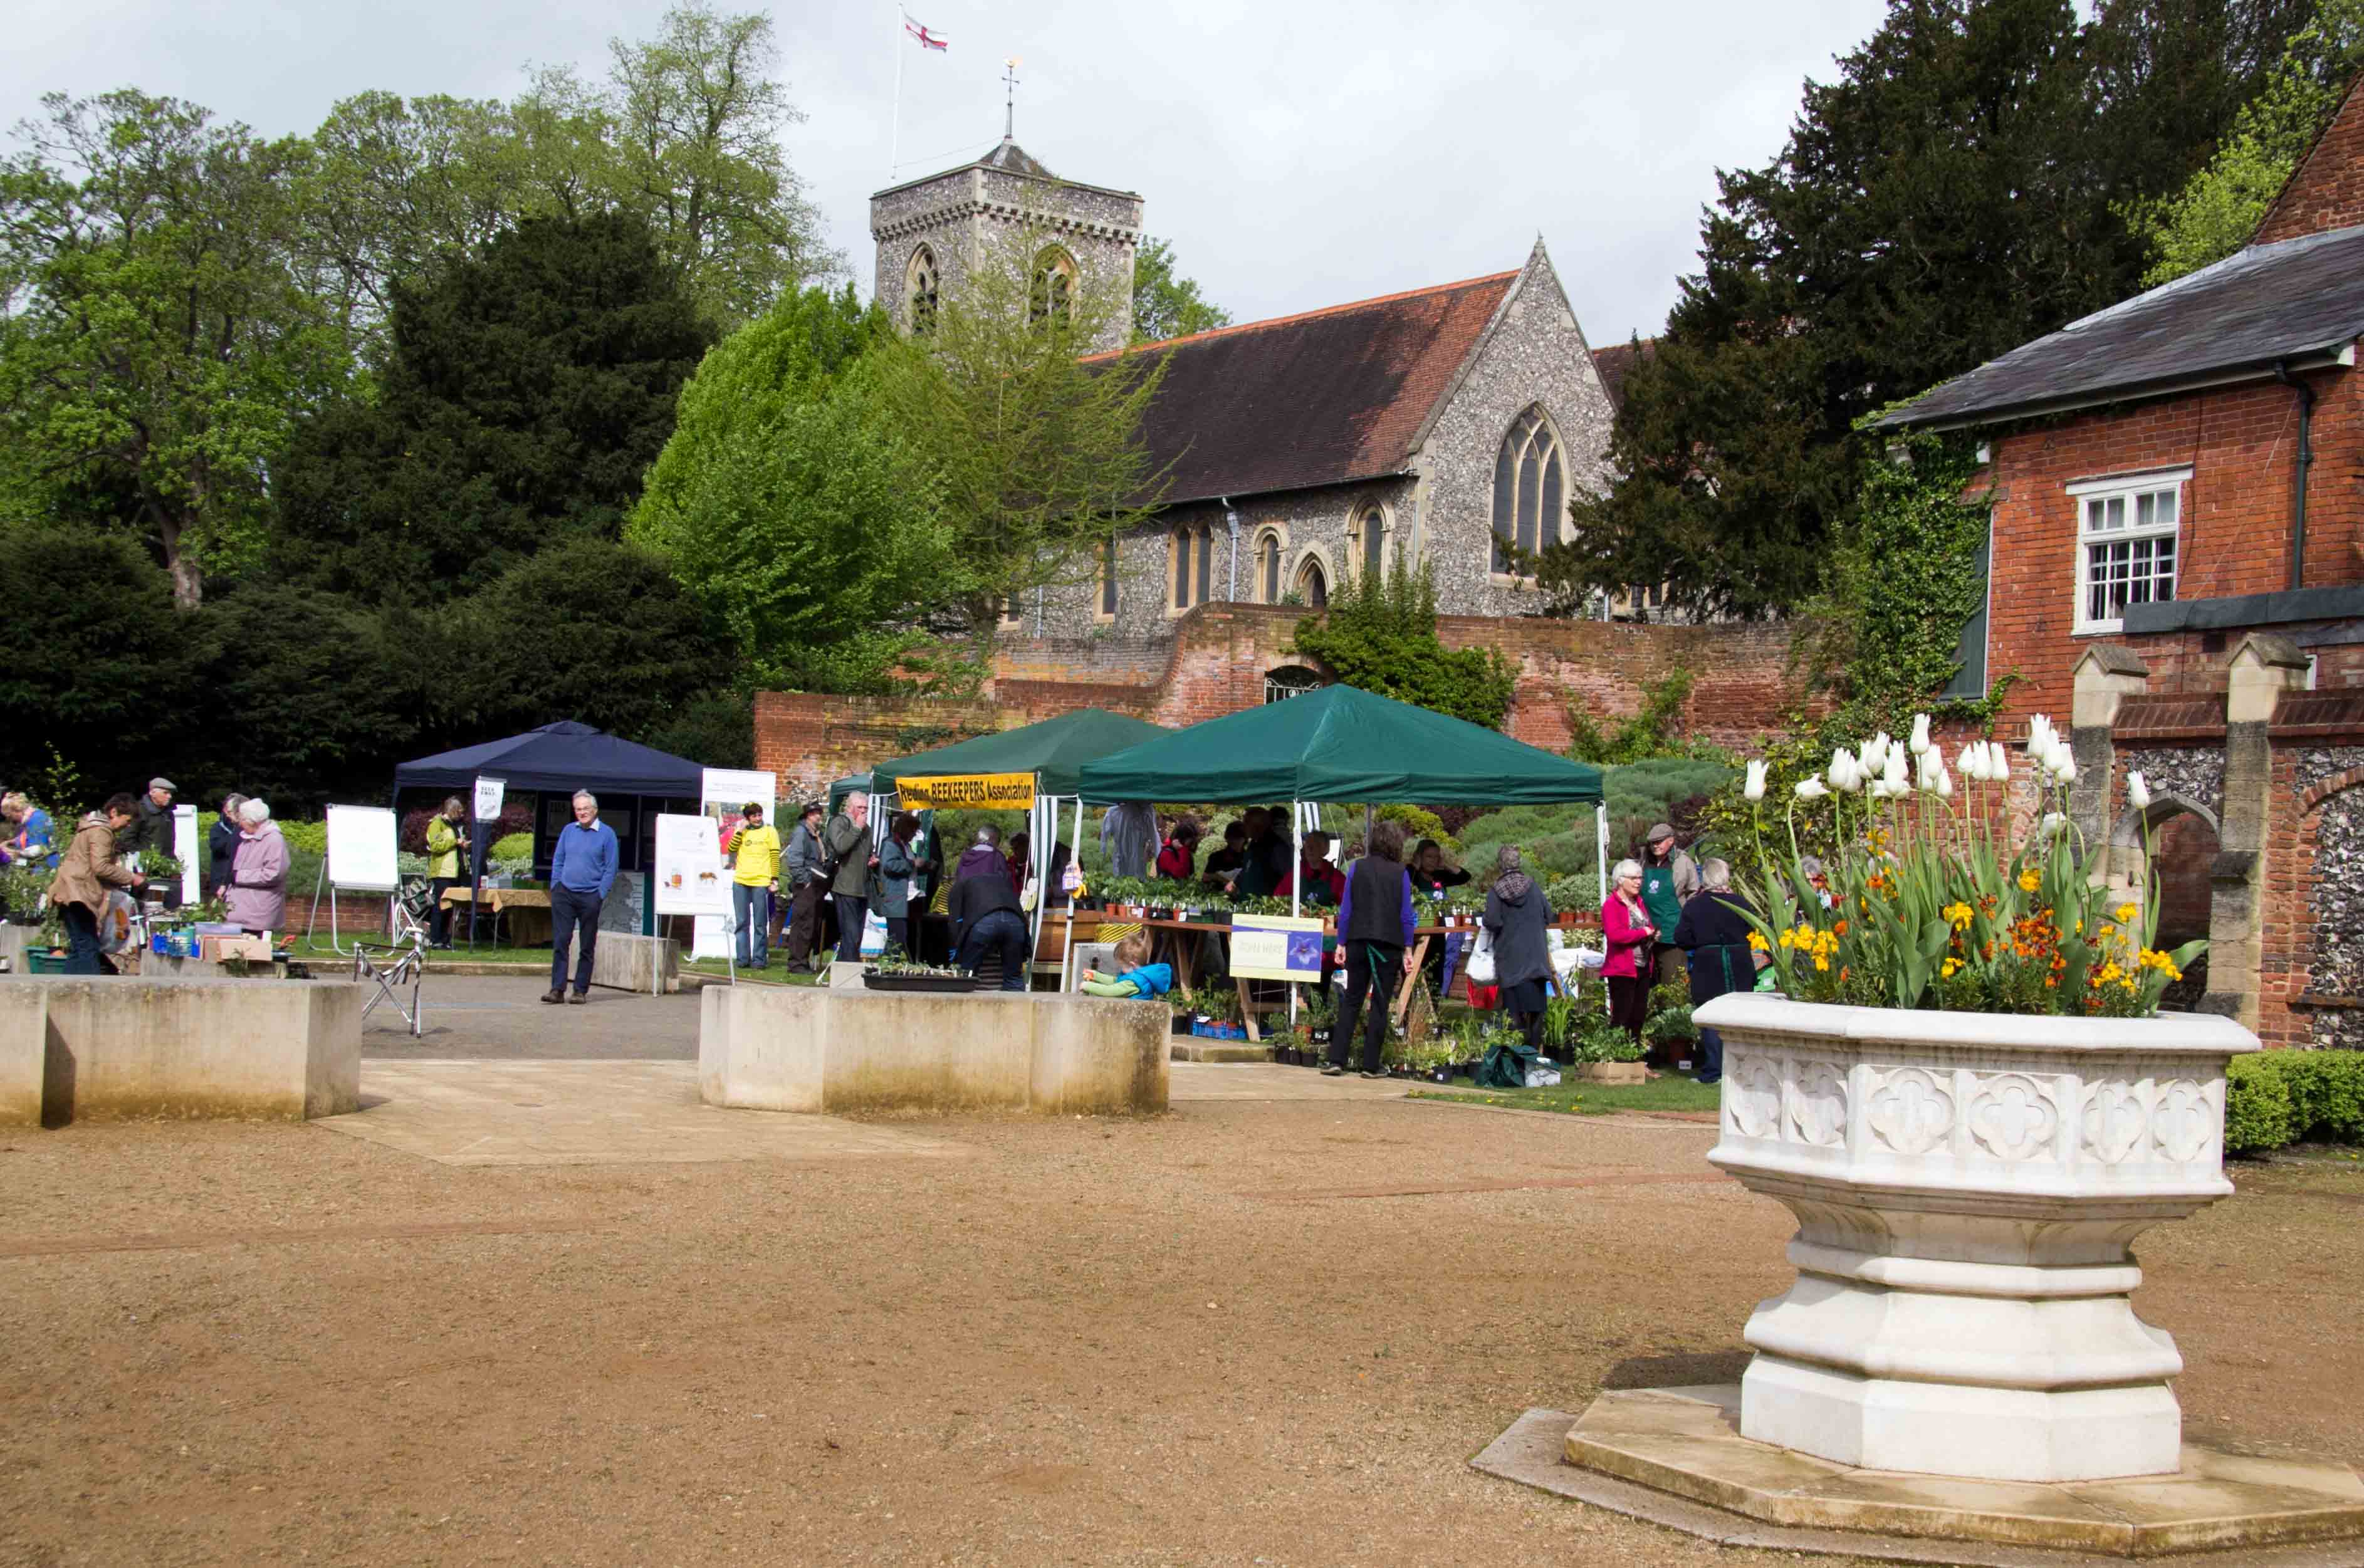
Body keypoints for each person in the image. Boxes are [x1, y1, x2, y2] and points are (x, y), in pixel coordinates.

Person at [1324, 821, 1417, 1079]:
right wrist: (1408, 950)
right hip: (1388, 946)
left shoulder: (1357, 868)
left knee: (1352, 1000)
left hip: (1358, 941)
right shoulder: (1401, 874)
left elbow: (1346, 910)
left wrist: (1341, 942)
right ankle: (1370, 1065)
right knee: (1379, 1003)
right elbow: (1406, 916)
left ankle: (1337, 1059)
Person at [1670, 858, 1752, 1085]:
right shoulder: (1741, 903)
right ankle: (1740, 1070)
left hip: (1709, 964)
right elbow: (1754, 930)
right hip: (1739, 962)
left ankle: (1715, 1070)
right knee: (1739, 1016)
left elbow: (1682, 937)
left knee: (1711, 1016)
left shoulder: (1695, 905)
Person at [50, 794, 146, 975]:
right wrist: (133, 878)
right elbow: (100, 867)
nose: (128, 826)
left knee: (80, 947)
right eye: (127, 821)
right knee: (88, 947)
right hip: (78, 893)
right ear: (114, 812)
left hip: (69, 890)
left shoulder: (91, 827)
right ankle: (91, 995)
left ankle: (65, 993)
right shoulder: (101, 832)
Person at [546, 790, 618, 1004]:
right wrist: (556, 885)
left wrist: (600, 894)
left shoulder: (607, 834)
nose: (582, 813)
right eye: (578, 809)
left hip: (590, 896)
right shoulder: (569, 831)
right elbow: (558, 859)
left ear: (595, 810)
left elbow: (611, 867)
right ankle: (557, 989)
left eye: (586, 809)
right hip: (564, 893)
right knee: (561, 941)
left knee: (587, 945)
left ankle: (580, 991)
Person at [1483, 845, 1557, 1053]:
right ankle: (1534, 1054)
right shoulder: (1532, 886)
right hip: (1535, 959)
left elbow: (1493, 921)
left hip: (1511, 961)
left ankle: (1515, 1057)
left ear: (1500, 865)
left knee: (1513, 1015)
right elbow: (1549, 915)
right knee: (1536, 1014)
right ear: (1519, 863)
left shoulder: (1496, 891)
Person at [949, 827, 1028, 991]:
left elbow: (955, 918)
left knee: (967, 976)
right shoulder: (998, 859)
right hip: (1015, 919)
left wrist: (957, 945)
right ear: (995, 840)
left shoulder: (964, 868)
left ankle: (966, 1014)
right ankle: (1019, 1016)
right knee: (1013, 978)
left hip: (983, 920)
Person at [1601, 857, 1657, 1047]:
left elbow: (1646, 926)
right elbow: (1615, 935)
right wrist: (1643, 933)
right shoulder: (1611, 905)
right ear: (1620, 880)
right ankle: (1618, 1056)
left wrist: (1652, 934)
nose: (1638, 882)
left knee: (1639, 1015)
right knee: (1622, 1015)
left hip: (1642, 966)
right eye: (1633, 878)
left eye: (1640, 878)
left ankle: (1635, 1057)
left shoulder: (1639, 902)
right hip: (1622, 968)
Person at [1640, 823, 1699, 985]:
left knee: (1673, 982)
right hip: (1647, 932)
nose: (1655, 846)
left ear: (1671, 841)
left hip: (1673, 932)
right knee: (1648, 983)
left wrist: (1688, 922)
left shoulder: (1683, 862)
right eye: (1652, 843)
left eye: (1659, 841)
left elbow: (1694, 892)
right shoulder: (1645, 861)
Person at [727, 802, 782, 968]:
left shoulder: (770, 831)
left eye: (760, 815)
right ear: (747, 818)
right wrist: (739, 831)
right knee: (742, 923)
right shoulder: (742, 832)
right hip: (741, 882)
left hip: (761, 883)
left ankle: (759, 960)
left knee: (760, 924)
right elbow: (731, 848)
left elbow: (775, 856)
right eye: (754, 816)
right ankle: (743, 959)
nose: (758, 819)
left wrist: (774, 879)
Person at [224, 798, 289, 936]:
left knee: (253, 953)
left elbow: (274, 874)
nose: (240, 824)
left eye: (242, 819)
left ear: (252, 821)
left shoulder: (274, 839)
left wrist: (238, 877)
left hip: (258, 913)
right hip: (242, 911)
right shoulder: (247, 837)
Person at [825, 792, 876, 963]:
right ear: (849, 808)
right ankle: (848, 970)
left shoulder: (866, 829)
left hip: (862, 888)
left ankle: (843, 968)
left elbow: (868, 851)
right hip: (845, 887)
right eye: (860, 808)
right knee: (851, 934)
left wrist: (873, 860)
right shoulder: (840, 823)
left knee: (857, 936)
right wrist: (856, 828)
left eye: (866, 808)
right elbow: (841, 847)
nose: (863, 812)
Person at [782, 802, 830, 971]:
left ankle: (803, 960)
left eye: (819, 813)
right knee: (802, 924)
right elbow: (794, 860)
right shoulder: (801, 833)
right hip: (805, 885)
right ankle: (796, 963)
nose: (818, 816)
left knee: (811, 925)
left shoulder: (816, 834)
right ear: (808, 816)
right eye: (815, 813)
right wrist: (805, 880)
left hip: (816, 885)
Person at [876, 811, 929, 955]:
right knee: (896, 939)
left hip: (909, 898)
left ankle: (896, 965)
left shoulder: (905, 846)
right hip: (896, 899)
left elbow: (909, 868)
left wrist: (926, 866)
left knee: (904, 938)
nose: (914, 835)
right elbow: (889, 866)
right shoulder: (890, 844)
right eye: (913, 831)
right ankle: (888, 967)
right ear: (905, 830)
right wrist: (913, 863)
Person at [1080, 930, 1173, 999]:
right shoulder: (1138, 975)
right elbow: (1116, 981)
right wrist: (1095, 975)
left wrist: (1087, 986)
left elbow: (1111, 991)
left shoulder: (1134, 982)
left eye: (1122, 966)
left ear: (1132, 965)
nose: (1120, 969)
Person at [423, 796, 465, 948]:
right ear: (452, 810)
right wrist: (455, 842)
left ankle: (444, 939)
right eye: (459, 812)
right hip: (442, 872)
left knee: (449, 908)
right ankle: (435, 939)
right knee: (440, 906)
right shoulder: (437, 824)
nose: (462, 815)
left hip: (454, 872)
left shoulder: (454, 825)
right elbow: (434, 846)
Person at [1275, 830, 1345, 906]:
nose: (1310, 849)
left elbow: (1346, 907)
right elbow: (1277, 900)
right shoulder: (1295, 875)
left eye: (1316, 845)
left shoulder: (1337, 878)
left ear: (1325, 849)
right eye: (1308, 844)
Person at [118, 777, 177, 859]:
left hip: (167, 864)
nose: (170, 796)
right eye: (165, 793)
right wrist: (145, 857)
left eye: (171, 793)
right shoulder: (138, 811)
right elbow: (126, 841)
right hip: (146, 865)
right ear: (153, 793)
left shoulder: (168, 813)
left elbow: (170, 841)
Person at [206, 795, 247, 904]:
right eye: (226, 810)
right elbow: (217, 847)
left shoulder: (248, 830)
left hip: (242, 883)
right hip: (221, 877)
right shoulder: (218, 828)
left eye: (229, 811)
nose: (227, 814)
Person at [1101, 801, 1158, 880]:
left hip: (1137, 854)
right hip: (1123, 854)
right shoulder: (1113, 812)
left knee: (1134, 876)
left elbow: (1153, 833)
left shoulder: (1147, 811)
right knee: (1124, 876)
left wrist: (1157, 851)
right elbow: (1154, 835)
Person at [1407, 839, 1472, 898]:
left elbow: (1465, 877)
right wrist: (1415, 866)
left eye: (1436, 857)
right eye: (1429, 856)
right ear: (1419, 857)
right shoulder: (1409, 872)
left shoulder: (1440, 875)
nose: (1433, 860)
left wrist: (1446, 864)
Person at [1200, 820, 1247, 891]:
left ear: (1245, 839)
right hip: (1219, 897)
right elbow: (1206, 877)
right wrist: (1219, 878)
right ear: (1227, 838)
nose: (1234, 841)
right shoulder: (1216, 857)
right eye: (1231, 838)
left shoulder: (1248, 858)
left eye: (1237, 838)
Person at [1154, 817, 1201, 881]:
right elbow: (1181, 874)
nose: (1194, 843)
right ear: (1182, 838)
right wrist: (1182, 850)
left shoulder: (1185, 851)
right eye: (1191, 841)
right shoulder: (1167, 853)